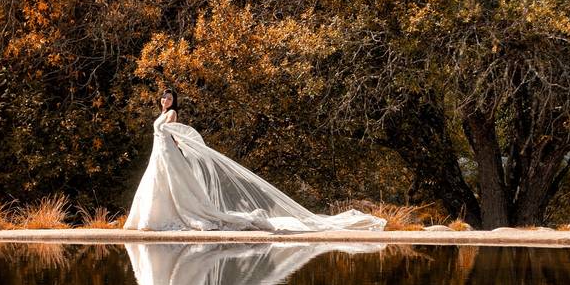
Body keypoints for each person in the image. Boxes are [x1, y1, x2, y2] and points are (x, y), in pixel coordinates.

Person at [123, 87, 386, 232]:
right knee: (157, 186)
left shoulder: (171, 115)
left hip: (167, 154)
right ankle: (152, 218)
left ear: (173, 101)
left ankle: (178, 217)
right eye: (163, 97)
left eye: (169, 98)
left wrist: (189, 148)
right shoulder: (161, 114)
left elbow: (176, 134)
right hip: (158, 154)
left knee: (174, 186)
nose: (165, 100)